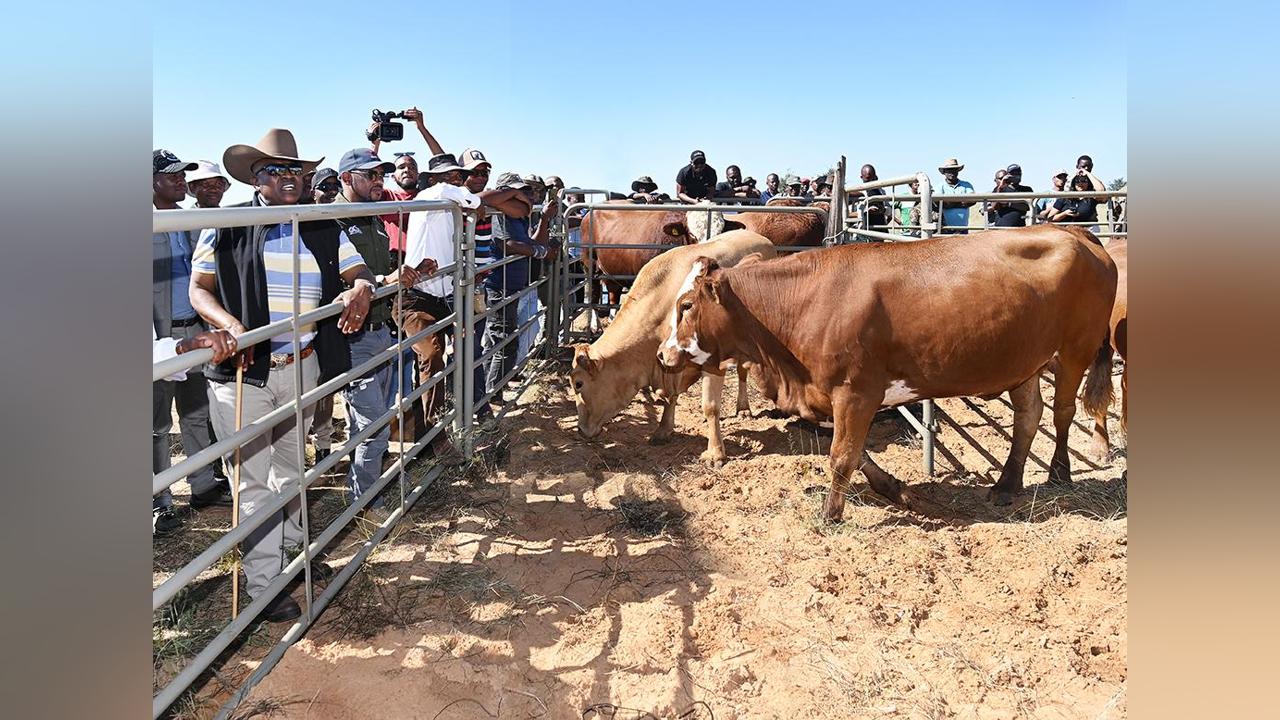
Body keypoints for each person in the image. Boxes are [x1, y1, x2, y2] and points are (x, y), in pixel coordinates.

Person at [189, 128, 376, 623]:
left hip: (303, 365)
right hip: (244, 373)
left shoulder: (320, 223)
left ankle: (293, 553)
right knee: (252, 483)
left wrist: (361, 288)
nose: (291, 178)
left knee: (293, 468)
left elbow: (358, 273)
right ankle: (264, 583)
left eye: (298, 170)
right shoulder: (227, 224)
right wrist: (228, 323)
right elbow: (198, 288)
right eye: (278, 170)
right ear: (257, 177)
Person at [330, 148, 435, 504]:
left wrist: (410, 272)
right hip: (350, 335)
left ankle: (361, 493)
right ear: (347, 178)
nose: (379, 181)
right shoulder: (330, 221)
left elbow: (379, 271)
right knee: (372, 424)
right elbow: (333, 283)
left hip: (379, 329)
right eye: (370, 175)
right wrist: (385, 278)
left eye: (380, 175)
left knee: (372, 419)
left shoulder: (373, 219)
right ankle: (365, 503)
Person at [153, 150, 230, 538]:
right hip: (157, 338)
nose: (182, 181)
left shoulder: (190, 221)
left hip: (195, 331)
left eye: (183, 175)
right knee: (155, 425)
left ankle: (202, 488)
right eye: (172, 176)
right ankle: (160, 502)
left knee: (197, 412)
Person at [398, 153, 482, 435]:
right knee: (432, 356)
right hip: (417, 296)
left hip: (441, 295)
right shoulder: (433, 195)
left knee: (447, 354)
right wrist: (467, 199)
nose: (457, 180)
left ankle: (433, 426)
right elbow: (475, 200)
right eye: (450, 175)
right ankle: (434, 433)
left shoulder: (448, 207)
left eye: (459, 175)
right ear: (433, 178)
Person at [484, 173, 559, 401]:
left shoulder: (519, 215)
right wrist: (541, 252)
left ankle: (492, 391)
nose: (527, 196)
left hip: (514, 282)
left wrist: (544, 220)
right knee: (502, 340)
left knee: (503, 338)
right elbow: (508, 244)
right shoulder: (498, 214)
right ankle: (491, 395)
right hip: (500, 283)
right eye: (521, 192)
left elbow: (533, 242)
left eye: (529, 192)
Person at [372, 107, 447, 252]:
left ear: (419, 174)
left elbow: (444, 165)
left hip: (427, 264)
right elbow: (368, 172)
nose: (407, 170)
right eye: (401, 167)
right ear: (393, 176)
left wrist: (421, 127)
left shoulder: (427, 195)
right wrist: (375, 143)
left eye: (412, 167)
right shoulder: (386, 196)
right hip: (396, 266)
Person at [935, 157, 976, 234]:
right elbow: (939, 203)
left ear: (958, 171)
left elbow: (973, 200)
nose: (952, 172)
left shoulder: (966, 185)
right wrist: (962, 203)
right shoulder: (939, 186)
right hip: (945, 228)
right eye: (949, 170)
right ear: (944, 172)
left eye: (954, 170)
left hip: (963, 228)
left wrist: (950, 203)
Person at [855, 164, 888, 232]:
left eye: (873, 178)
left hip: (880, 229)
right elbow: (851, 212)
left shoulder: (881, 191)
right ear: (862, 177)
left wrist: (883, 210)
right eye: (868, 179)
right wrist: (866, 211)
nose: (871, 181)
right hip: (864, 229)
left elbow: (889, 210)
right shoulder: (857, 192)